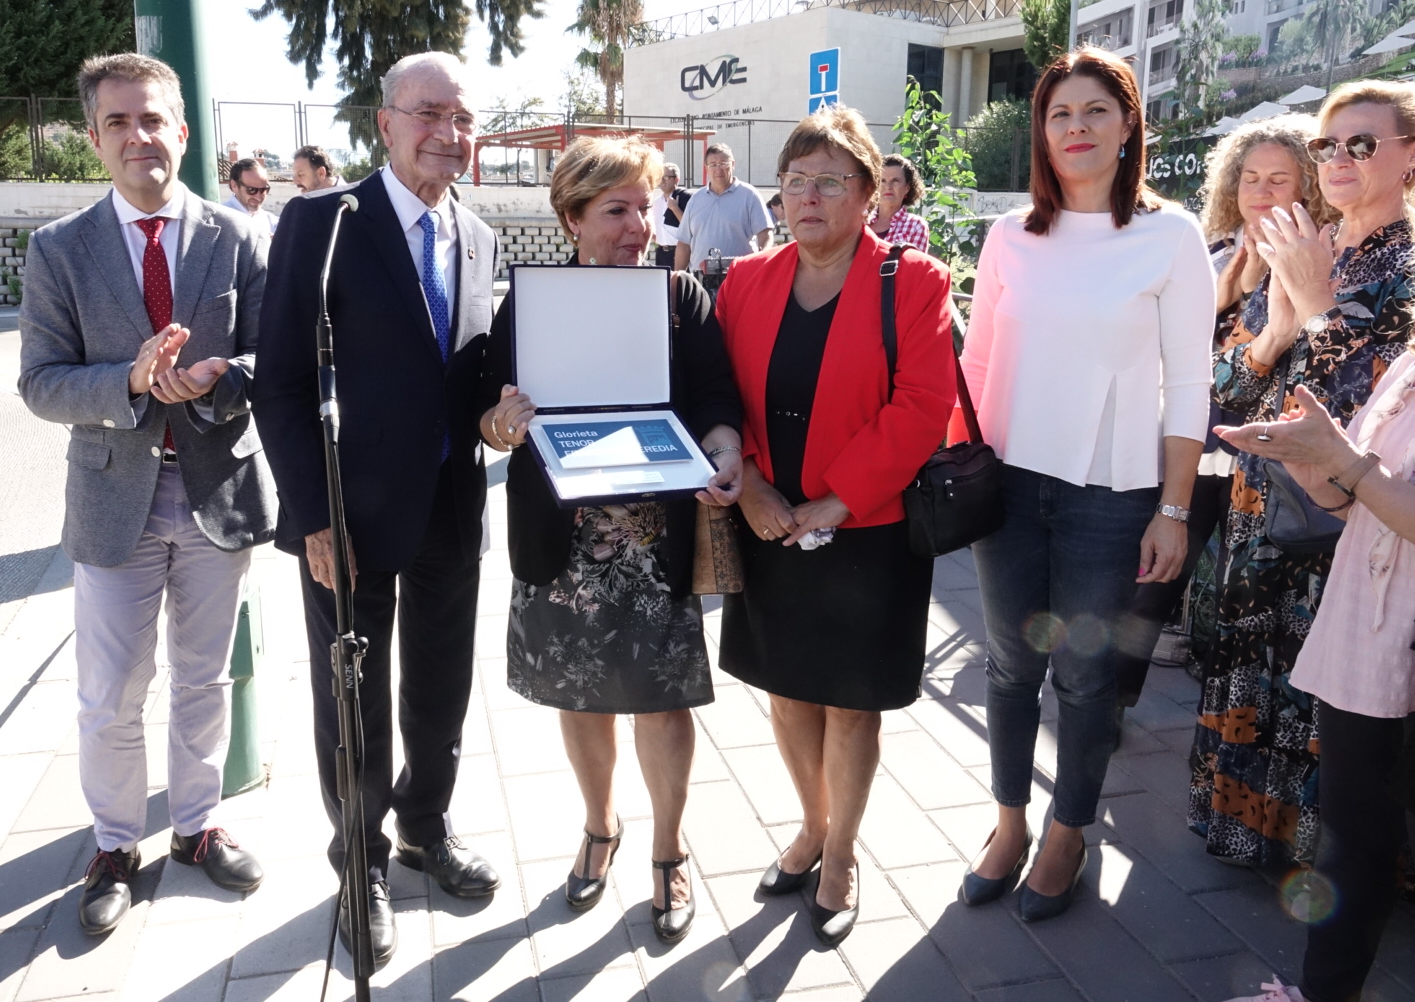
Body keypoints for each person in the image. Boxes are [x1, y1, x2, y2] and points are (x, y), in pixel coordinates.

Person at [17, 53, 274, 936]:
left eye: (153, 119)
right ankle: (116, 845)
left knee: (205, 677)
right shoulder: (59, 248)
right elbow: (41, 382)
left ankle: (197, 828)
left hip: (215, 494)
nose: (139, 137)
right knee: (111, 694)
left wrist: (220, 377)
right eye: (119, 122)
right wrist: (127, 381)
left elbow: (272, 355)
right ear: (95, 138)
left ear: (183, 132)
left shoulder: (236, 236)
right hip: (113, 500)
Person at [957, 48, 1216, 923]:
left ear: (1129, 123)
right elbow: (977, 361)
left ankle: (1068, 833)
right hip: (1008, 488)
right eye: (1060, 112)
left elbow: (1191, 382)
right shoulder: (1009, 235)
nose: (1076, 127)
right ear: (1041, 130)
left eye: (1096, 110)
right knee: (1008, 665)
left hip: (1113, 496)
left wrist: (1173, 508)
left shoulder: (1171, 237)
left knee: (1085, 673)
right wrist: (956, 465)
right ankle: (1008, 824)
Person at [255, 52, 499, 966]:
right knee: (350, 696)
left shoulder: (478, 236)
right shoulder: (323, 223)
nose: (449, 132)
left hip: (451, 505)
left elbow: (469, 377)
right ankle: (359, 863)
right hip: (346, 516)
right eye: (429, 112)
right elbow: (280, 382)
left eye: (463, 117)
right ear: (386, 123)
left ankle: (425, 828)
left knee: (441, 686)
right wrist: (310, 514)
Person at [478, 136, 743, 945]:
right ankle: (600, 827)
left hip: (653, 545)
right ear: (573, 219)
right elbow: (488, 416)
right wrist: (501, 425)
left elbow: (717, 400)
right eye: (617, 210)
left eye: (648, 208)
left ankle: (668, 850)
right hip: (563, 544)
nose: (639, 227)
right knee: (578, 697)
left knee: (663, 704)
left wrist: (725, 450)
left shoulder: (681, 296)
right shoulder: (530, 303)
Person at [716, 105, 956, 947]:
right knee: (787, 693)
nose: (808, 197)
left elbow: (923, 403)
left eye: (830, 181)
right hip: (769, 521)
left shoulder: (914, 281)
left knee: (851, 706)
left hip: (869, 530)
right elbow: (719, 396)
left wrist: (842, 498)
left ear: (868, 194)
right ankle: (811, 826)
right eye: (795, 181)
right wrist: (749, 484)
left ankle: (843, 854)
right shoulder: (745, 282)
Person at [1190, 81, 1415, 870]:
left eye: (1363, 143)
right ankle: (1249, 838)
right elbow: (1224, 392)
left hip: (1348, 531)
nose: (1338, 158)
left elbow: (1365, 423)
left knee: (1324, 703)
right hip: (1257, 509)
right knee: (1251, 672)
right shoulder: (1310, 244)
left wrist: (1316, 312)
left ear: (1410, 160)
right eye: (1327, 145)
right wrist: (1274, 332)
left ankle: (1324, 874)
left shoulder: (1407, 269)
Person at [1115, 116, 1334, 733]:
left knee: (1246, 604)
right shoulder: (1211, 255)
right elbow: (1167, 352)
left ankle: (1240, 739)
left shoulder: (1318, 262)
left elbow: (1282, 363)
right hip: (1193, 456)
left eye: (1279, 179)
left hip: (1266, 473)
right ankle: (1108, 706)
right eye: (1250, 177)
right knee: (1149, 588)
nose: (1260, 191)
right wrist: (1227, 292)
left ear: (1309, 185)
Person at [1213, 362, 1415, 1002]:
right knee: (1355, 835)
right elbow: (1358, 501)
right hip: (1369, 638)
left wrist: (1345, 464)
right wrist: (1315, 472)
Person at [673, 144, 773, 272]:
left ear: (733, 164)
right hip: (701, 278)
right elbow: (684, 244)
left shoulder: (749, 195)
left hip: (739, 275)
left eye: (723, 164)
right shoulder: (696, 199)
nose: (718, 169)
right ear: (706, 168)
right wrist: (678, 276)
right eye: (713, 165)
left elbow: (765, 233)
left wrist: (762, 259)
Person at [870, 154, 929, 250]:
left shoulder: (915, 225)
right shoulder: (861, 221)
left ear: (907, 187)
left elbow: (912, 260)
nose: (888, 187)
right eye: (882, 181)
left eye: (895, 180)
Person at [223, 158, 279, 238]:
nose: (258, 196)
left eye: (263, 190)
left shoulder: (271, 221)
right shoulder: (219, 220)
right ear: (234, 186)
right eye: (251, 190)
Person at [649, 163, 690, 267]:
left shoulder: (685, 198)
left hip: (679, 252)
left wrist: (675, 208)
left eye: (666, 177)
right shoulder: (657, 202)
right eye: (660, 177)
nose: (662, 181)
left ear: (676, 180)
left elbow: (689, 227)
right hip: (661, 252)